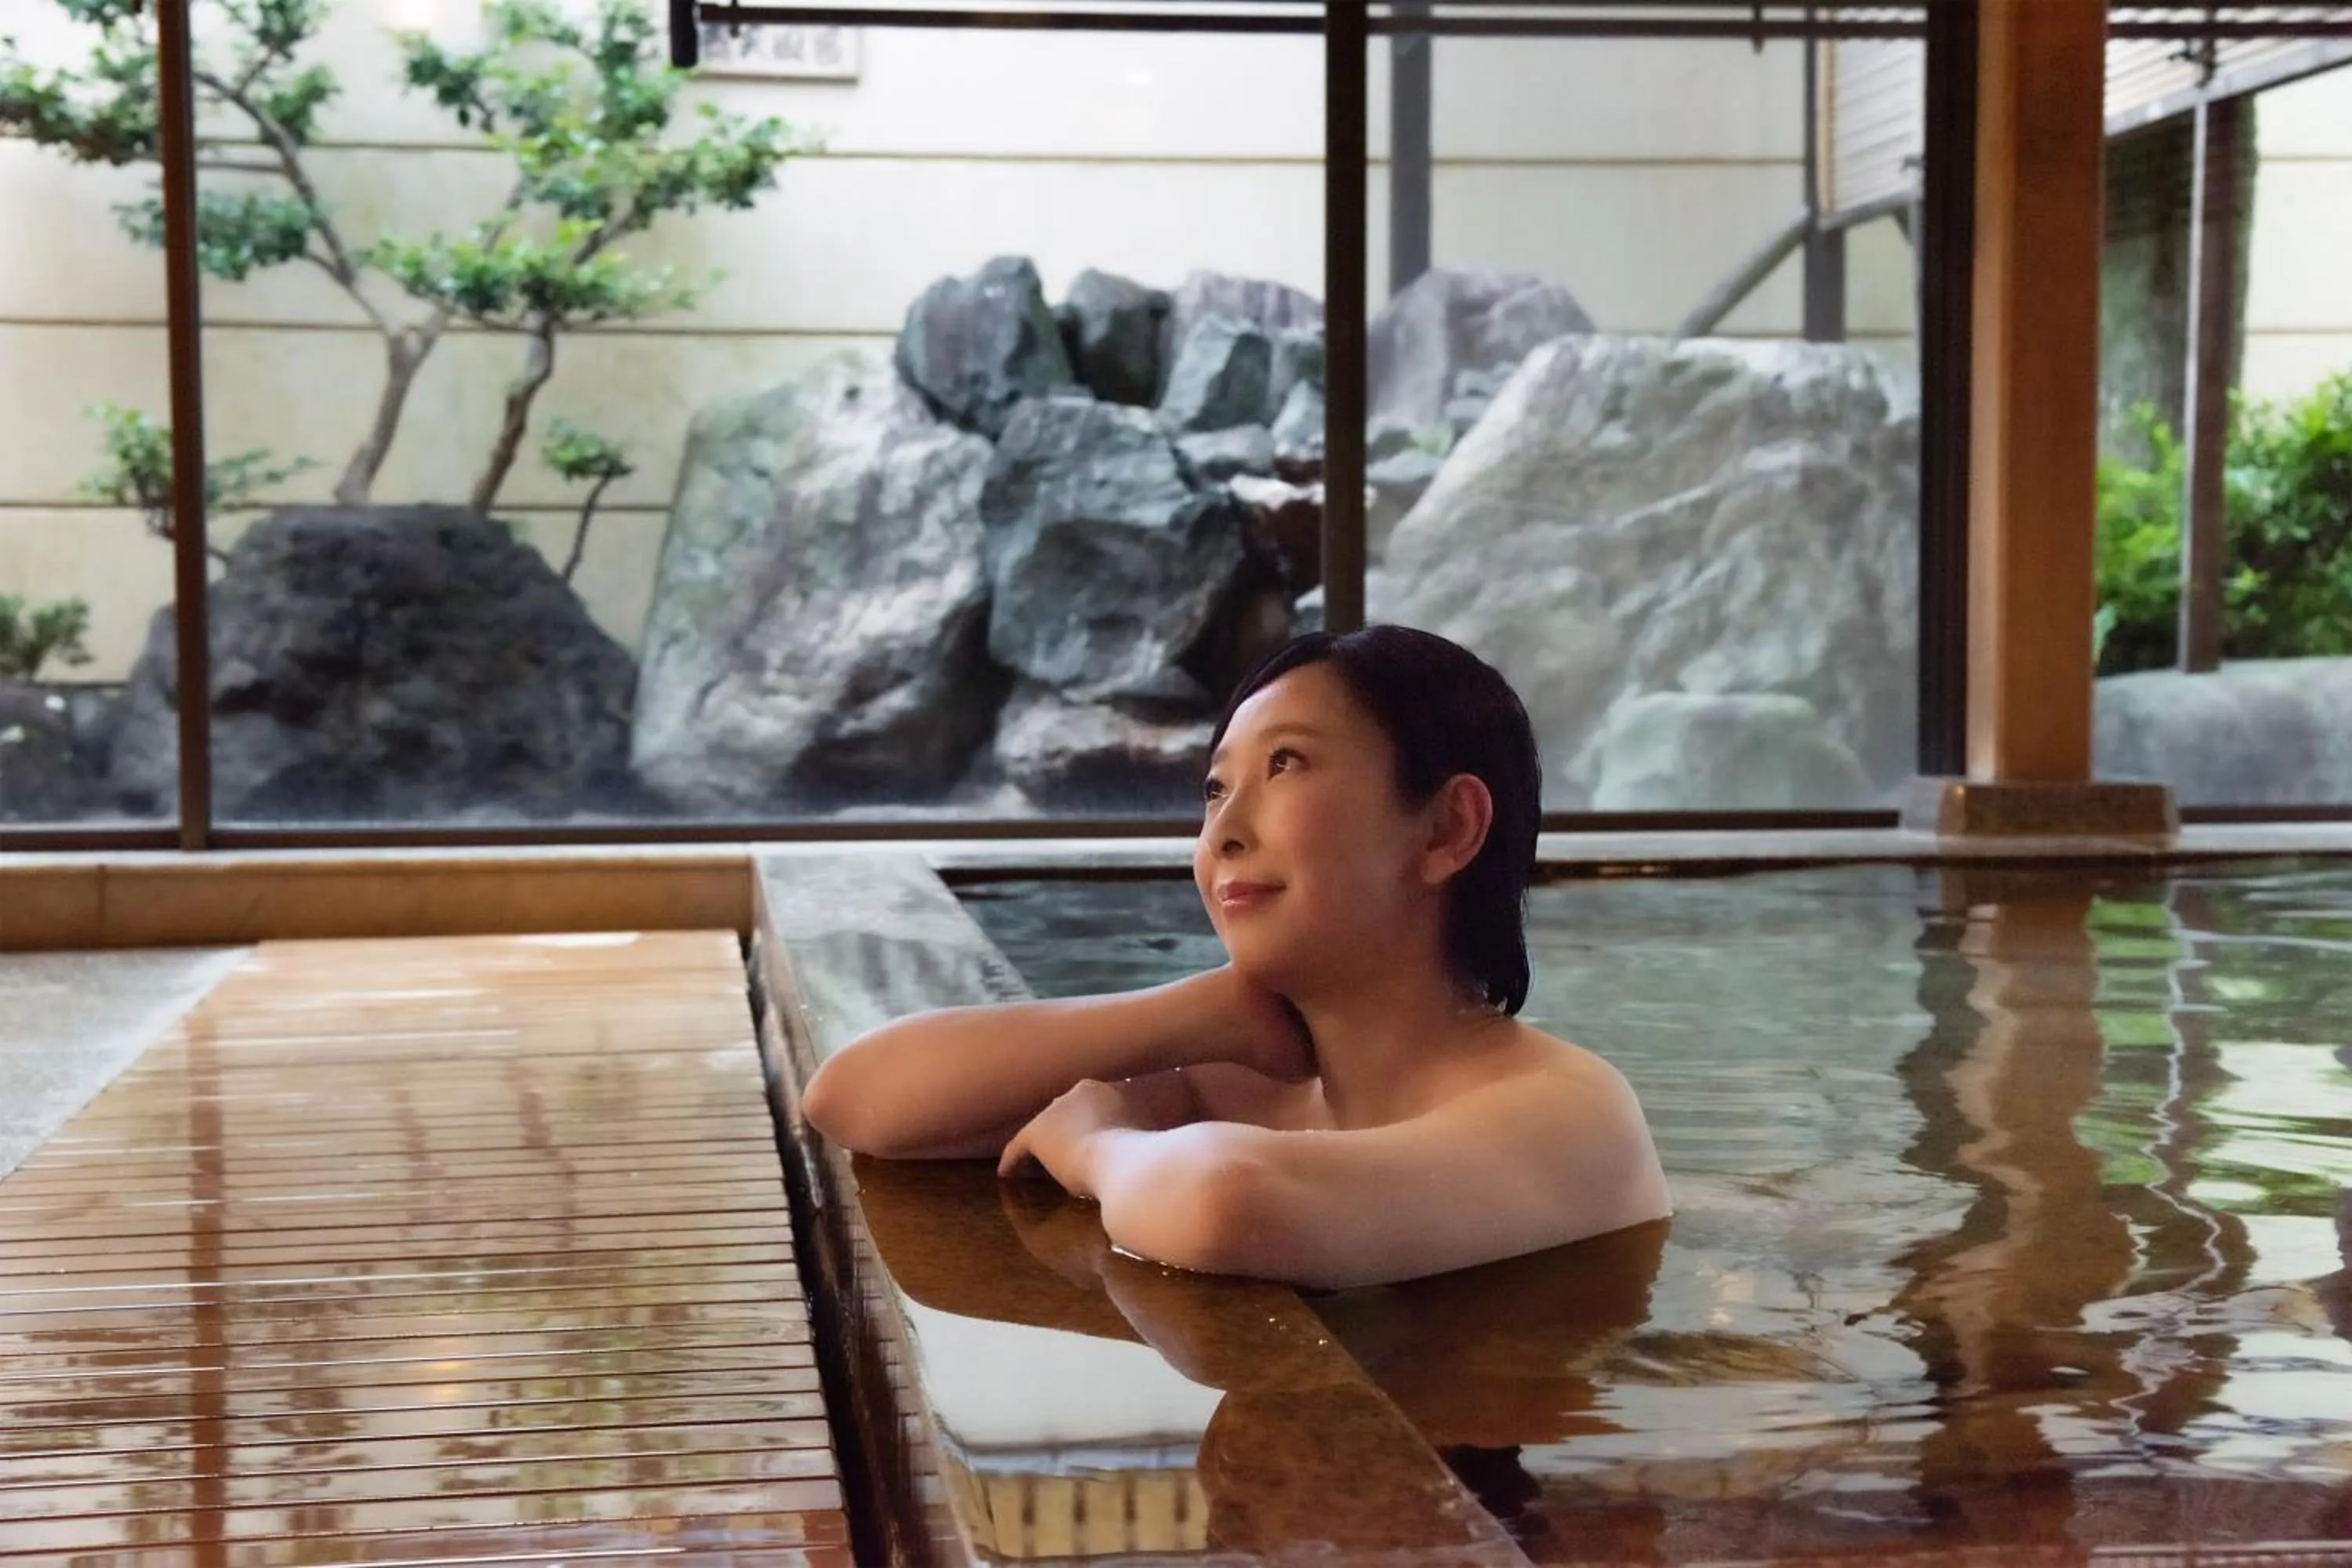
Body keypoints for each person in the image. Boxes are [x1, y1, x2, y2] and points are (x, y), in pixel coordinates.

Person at [801, 625, 1672, 1290]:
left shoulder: (1573, 1114)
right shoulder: (1255, 1081)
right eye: (1216, 788)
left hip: (1480, 1528)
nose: (1224, 831)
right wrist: (1194, 1011)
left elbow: (1227, 1205)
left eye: (1286, 763)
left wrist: (1096, 1146)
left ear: (1447, 828)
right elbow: (857, 1097)